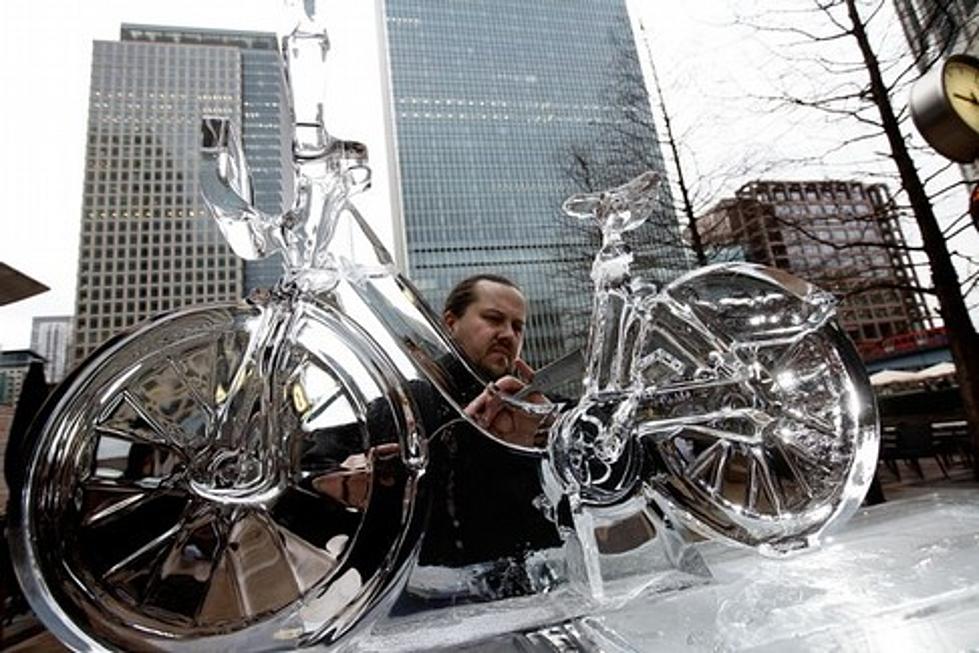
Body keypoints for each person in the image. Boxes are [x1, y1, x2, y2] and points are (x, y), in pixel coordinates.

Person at [415, 274, 563, 572]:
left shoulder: (547, 410)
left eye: (518, 327)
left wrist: (555, 438)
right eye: (494, 319)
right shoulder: (407, 407)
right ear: (450, 323)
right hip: (442, 602)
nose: (508, 334)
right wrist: (456, 440)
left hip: (546, 592)